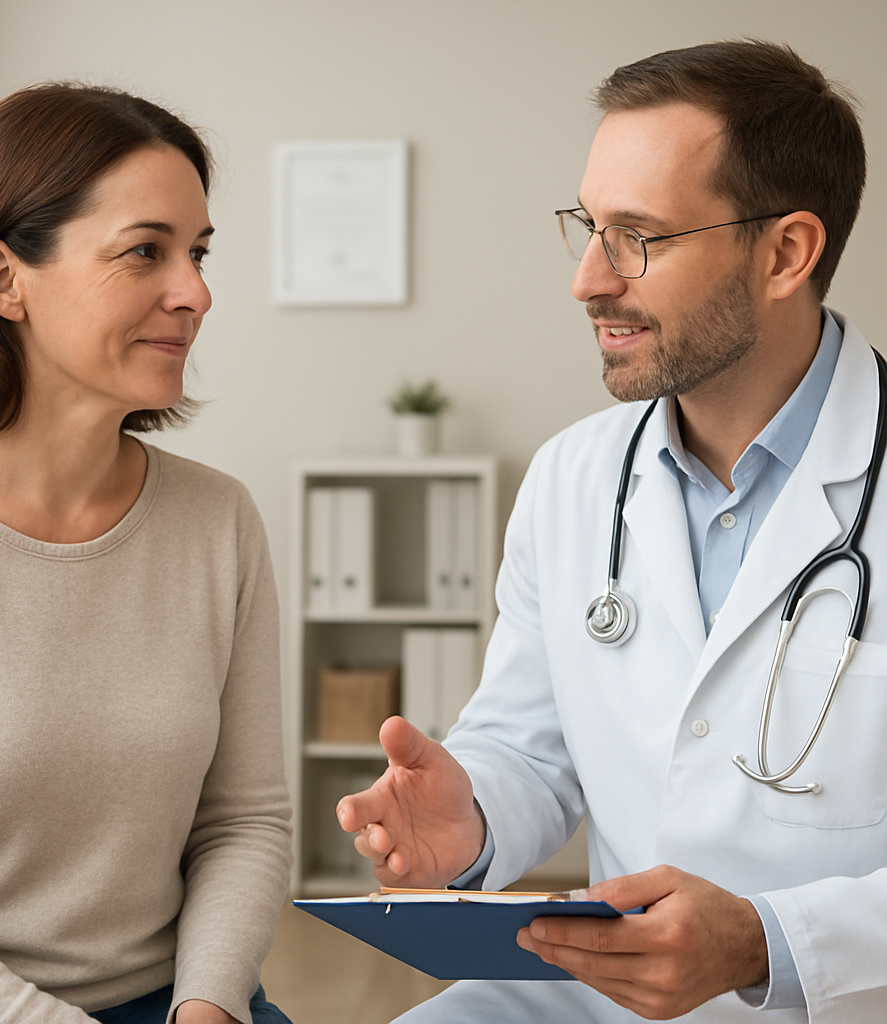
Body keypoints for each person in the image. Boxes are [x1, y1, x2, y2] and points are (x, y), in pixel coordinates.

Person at [337, 39, 886, 1023]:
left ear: (785, 253)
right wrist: (471, 815)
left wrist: (765, 940)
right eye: (589, 228)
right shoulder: (573, 478)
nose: (588, 279)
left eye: (637, 237)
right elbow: (529, 749)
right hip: (606, 996)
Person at [0, 84, 293, 1024]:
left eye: (198, 253)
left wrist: (208, 1007)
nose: (196, 293)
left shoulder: (217, 521)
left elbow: (243, 822)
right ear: (5, 280)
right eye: (145, 251)